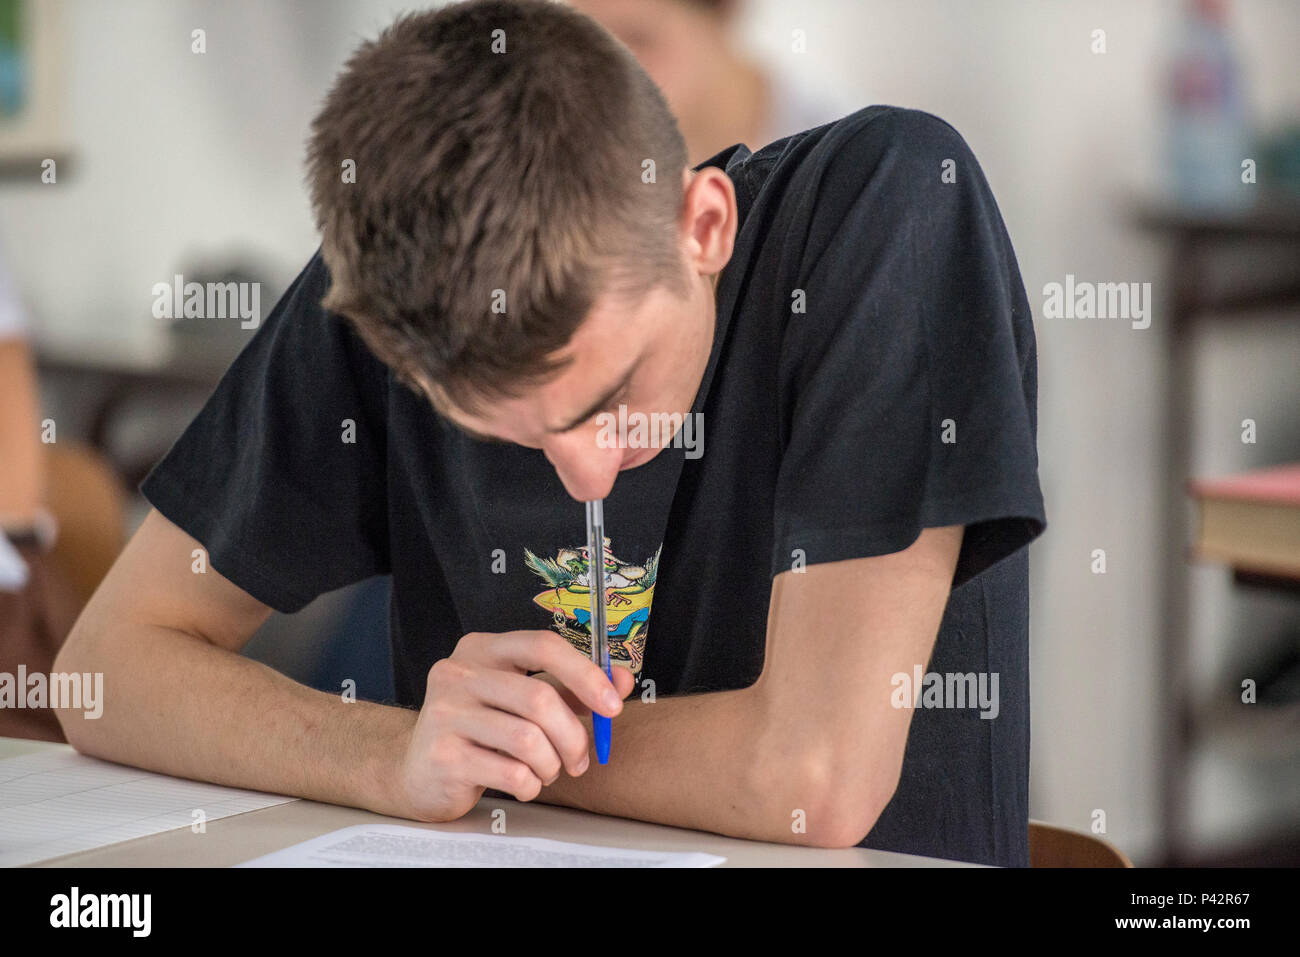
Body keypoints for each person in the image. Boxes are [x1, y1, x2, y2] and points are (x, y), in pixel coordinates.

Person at [54, 0, 1045, 866]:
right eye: (503, 434)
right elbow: (106, 670)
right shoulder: (406, 290)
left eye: (612, 395)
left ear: (702, 226)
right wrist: (391, 756)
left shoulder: (890, 208)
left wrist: (486, 766)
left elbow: (814, 778)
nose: (581, 472)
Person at [571, 0, 850, 164]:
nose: (606, 76)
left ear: (722, 12)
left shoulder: (846, 155)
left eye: (638, 40)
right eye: (587, 47)